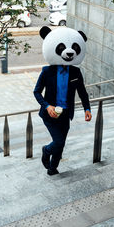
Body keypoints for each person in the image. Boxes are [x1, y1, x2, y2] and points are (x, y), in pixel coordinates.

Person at [34, 26, 92, 175]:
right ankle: (46, 151)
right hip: (50, 114)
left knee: (61, 143)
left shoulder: (75, 72)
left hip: (65, 114)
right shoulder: (47, 72)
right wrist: (47, 106)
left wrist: (87, 109)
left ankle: (53, 168)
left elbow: (83, 93)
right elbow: (37, 92)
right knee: (58, 142)